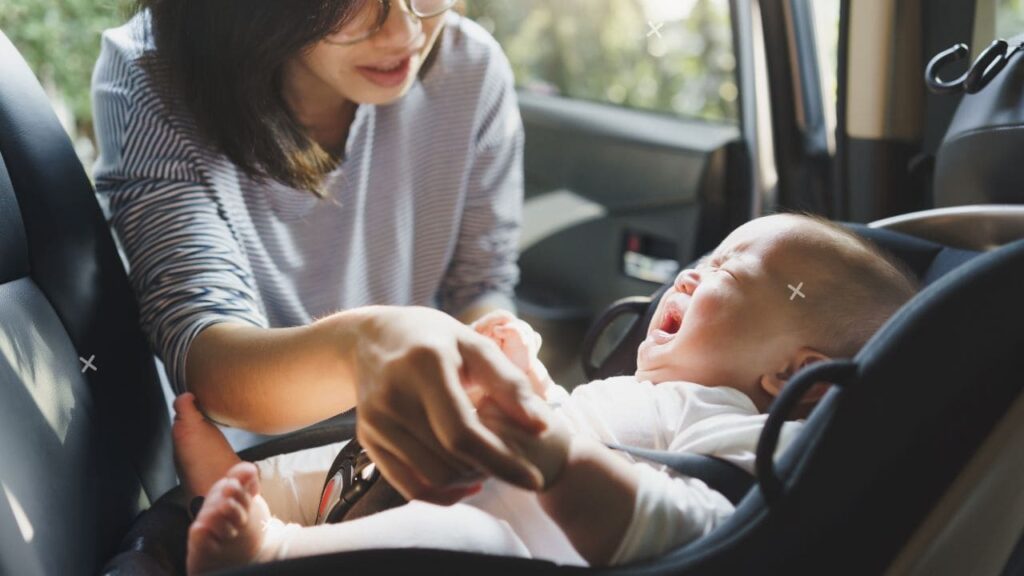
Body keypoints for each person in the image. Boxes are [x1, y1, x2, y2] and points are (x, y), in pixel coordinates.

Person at [172, 214, 920, 573]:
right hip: (470, 481)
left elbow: (699, 527)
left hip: (518, 547)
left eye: (727, 271)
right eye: (704, 254)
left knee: (472, 541)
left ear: (792, 376)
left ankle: (277, 550)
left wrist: (558, 462)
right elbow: (570, 418)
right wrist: (523, 381)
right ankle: (241, 492)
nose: (690, 271)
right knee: (362, 445)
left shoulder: (742, 434)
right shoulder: (639, 390)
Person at [91, 0, 547, 504]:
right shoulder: (151, 77)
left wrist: (493, 347)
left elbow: (480, 285)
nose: (405, 31)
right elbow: (206, 357)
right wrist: (366, 348)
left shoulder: (472, 69)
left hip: (412, 449)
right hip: (252, 478)